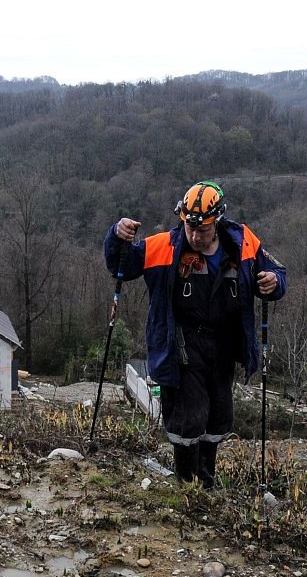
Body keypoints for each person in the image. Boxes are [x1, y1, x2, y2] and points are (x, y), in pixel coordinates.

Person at [104, 181, 287, 487]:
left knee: (218, 414)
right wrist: (116, 236)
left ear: (217, 221)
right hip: (182, 344)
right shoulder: (165, 246)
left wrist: (273, 282)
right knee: (188, 416)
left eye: (202, 230)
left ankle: (207, 481)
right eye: (190, 227)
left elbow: (276, 272)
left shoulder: (244, 243)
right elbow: (122, 266)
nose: (195, 235)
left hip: (224, 345)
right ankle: (186, 481)